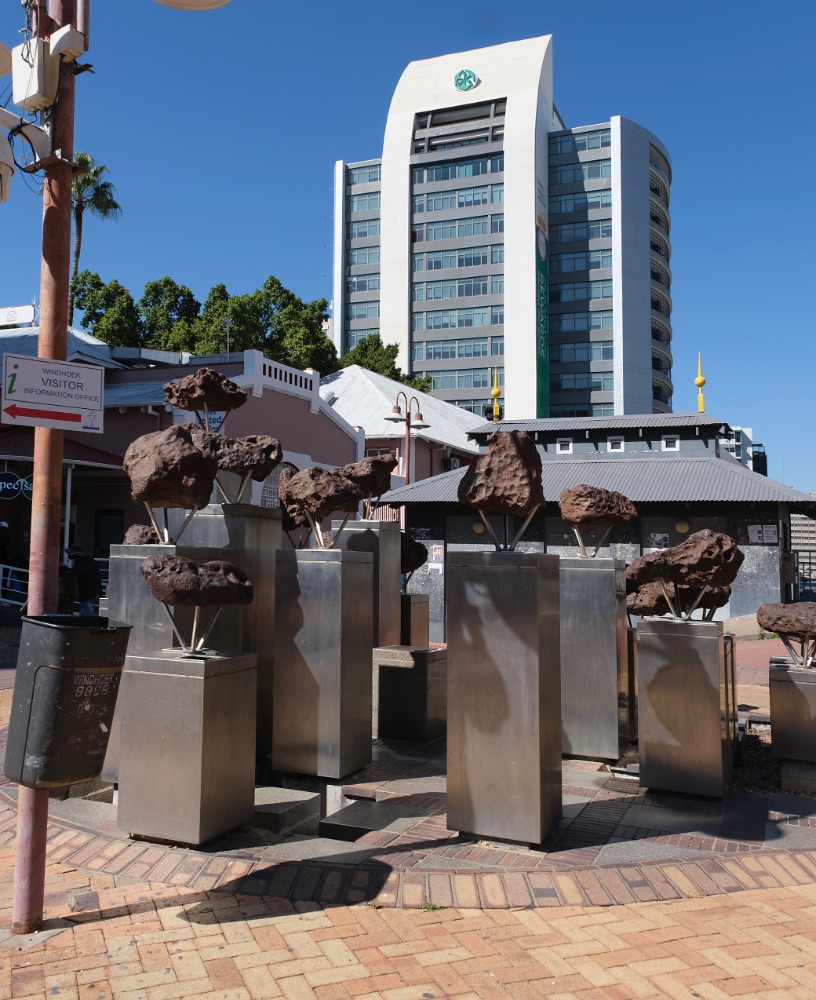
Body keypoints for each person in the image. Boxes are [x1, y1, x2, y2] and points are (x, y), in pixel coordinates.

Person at [66, 544, 102, 616]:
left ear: (77, 553)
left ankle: (89, 625)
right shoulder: (91, 560)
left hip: (87, 592)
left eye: (70, 552)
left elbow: (75, 574)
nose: (69, 555)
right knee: (86, 610)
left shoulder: (80, 563)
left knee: (88, 611)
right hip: (94, 590)